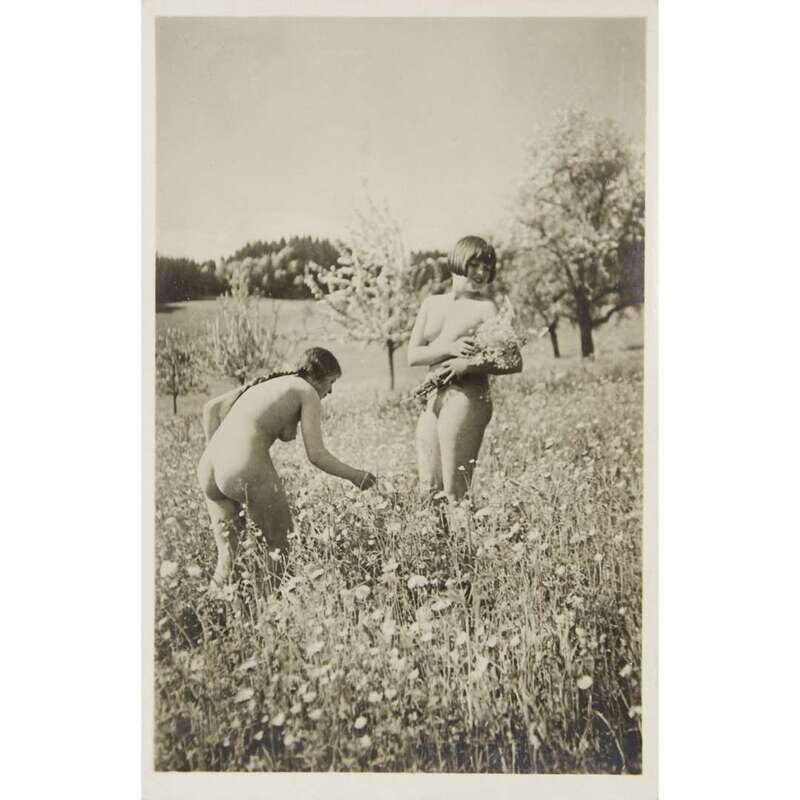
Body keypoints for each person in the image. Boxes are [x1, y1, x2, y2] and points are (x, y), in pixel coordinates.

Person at [197, 347, 376, 590]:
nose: (331, 391)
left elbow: (210, 408)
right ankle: (270, 610)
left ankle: (212, 613)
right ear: (317, 377)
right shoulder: (307, 391)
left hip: (209, 464)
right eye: (331, 382)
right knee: (279, 547)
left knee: (228, 556)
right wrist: (356, 475)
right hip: (242, 462)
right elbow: (317, 455)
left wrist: (222, 461)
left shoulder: (268, 383)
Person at [407, 236, 523, 504]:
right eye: (475, 265)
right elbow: (413, 356)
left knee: (455, 493)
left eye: (487, 268)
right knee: (429, 491)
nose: (481, 273)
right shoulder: (431, 304)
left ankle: (466, 533)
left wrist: (468, 364)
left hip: (466, 397)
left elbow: (514, 360)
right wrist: (450, 347)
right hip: (431, 399)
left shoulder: (486, 308)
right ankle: (439, 535)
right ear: (459, 262)